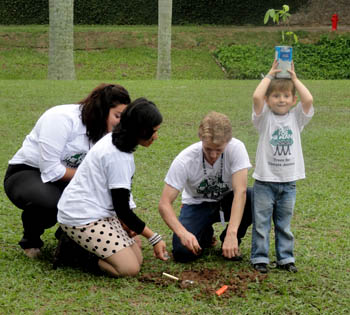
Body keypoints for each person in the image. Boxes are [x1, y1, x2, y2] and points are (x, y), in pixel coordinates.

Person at [3, 83, 131, 259]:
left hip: (71, 179)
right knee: (51, 203)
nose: (120, 123)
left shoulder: (107, 134)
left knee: (98, 200)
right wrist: (91, 179)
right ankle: (31, 239)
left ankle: (69, 238)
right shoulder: (60, 118)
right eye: (117, 116)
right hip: (29, 172)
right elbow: (51, 170)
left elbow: (114, 173)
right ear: (101, 110)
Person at [57, 98, 168, 277]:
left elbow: (121, 200)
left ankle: (87, 248)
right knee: (129, 268)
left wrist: (131, 227)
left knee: (137, 256)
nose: (155, 137)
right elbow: (122, 210)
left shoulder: (117, 140)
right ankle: (73, 253)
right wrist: (154, 238)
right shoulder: (117, 156)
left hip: (100, 212)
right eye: (153, 132)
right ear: (141, 130)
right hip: (81, 217)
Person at [159, 111, 252, 263]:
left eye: (219, 150)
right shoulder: (185, 159)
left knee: (254, 198)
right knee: (183, 253)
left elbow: (240, 192)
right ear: (201, 139)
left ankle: (229, 241)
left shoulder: (237, 148)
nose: (213, 155)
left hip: (226, 201)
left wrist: (232, 232)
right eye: (208, 149)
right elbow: (164, 204)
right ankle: (205, 234)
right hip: (197, 205)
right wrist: (183, 233)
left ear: (228, 142)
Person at [250, 60, 314, 273]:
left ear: (293, 100)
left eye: (286, 96)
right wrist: (269, 75)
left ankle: (286, 258)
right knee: (261, 224)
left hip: (288, 183)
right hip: (264, 182)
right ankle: (260, 257)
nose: (281, 100)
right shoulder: (264, 118)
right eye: (276, 96)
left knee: (284, 224)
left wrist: (294, 79)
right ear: (268, 100)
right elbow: (256, 97)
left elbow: (309, 99)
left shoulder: (297, 118)